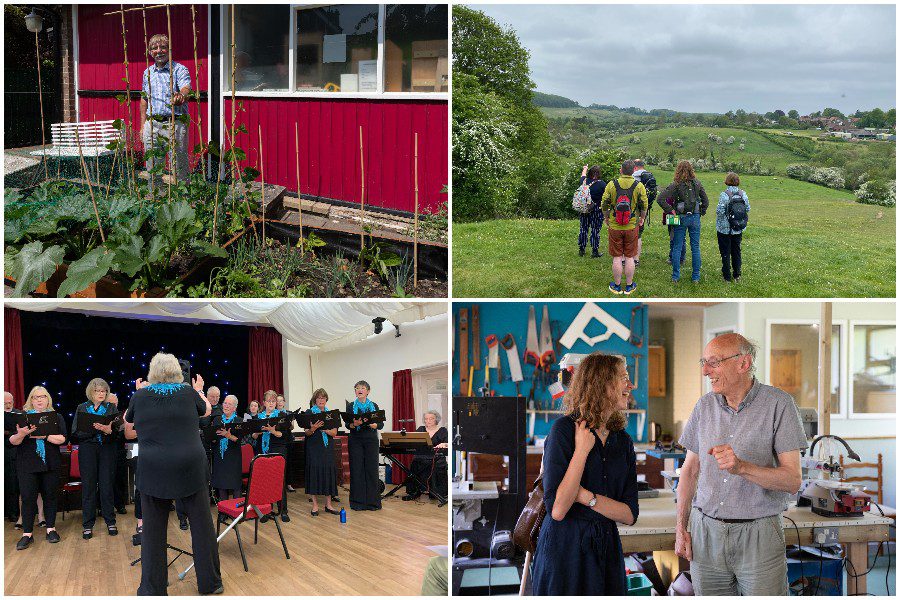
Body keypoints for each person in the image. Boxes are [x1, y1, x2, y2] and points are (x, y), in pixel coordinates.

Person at [675, 333, 806, 596]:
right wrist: (681, 527)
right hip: (706, 534)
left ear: (743, 364)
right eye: (704, 362)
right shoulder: (704, 406)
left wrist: (742, 467)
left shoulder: (779, 404)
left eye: (714, 362)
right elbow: (689, 471)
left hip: (759, 536)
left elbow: (793, 481)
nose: (705, 371)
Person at [531, 353, 639, 595]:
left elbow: (630, 514)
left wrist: (584, 496)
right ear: (601, 383)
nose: (630, 385)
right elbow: (558, 510)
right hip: (563, 552)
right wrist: (581, 451)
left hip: (606, 550)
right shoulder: (563, 431)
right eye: (623, 378)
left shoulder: (623, 441)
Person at [124, 353, 222, 596]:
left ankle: (153, 588)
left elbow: (128, 420)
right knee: (202, 528)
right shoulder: (188, 392)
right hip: (189, 468)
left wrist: (139, 391)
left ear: (152, 373)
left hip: (153, 469)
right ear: (177, 372)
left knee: (152, 533)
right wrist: (199, 389)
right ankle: (210, 584)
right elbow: (207, 411)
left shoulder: (140, 395)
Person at [9, 386, 68, 550]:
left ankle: (51, 529)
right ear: (31, 400)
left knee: (50, 496)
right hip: (27, 464)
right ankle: (27, 534)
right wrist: (21, 434)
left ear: (48, 399)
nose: (39, 400)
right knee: (28, 498)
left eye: (43, 396)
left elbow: (62, 439)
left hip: (50, 462)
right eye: (35, 397)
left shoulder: (56, 417)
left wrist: (44, 435)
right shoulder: (22, 417)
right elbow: (13, 441)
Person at [140, 33, 192, 192]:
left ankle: (183, 198)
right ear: (150, 52)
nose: (159, 51)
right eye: (154, 48)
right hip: (152, 124)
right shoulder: (147, 73)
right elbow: (144, 100)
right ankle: (155, 195)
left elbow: (186, 89)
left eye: (163, 47)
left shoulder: (178, 69)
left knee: (180, 163)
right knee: (153, 164)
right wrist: (143, 126)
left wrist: (181, 96)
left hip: (174, 124)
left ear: (169, 50)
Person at [71, 378, 119, 539]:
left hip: (107, 449)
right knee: (89, 487)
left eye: (104, 391)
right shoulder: (82, 408)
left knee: (106, 486)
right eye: (98, 391)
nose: (101, 393)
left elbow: (117, 433)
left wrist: (108, 430)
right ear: (91, 392)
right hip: (87, 450)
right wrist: (94, 430)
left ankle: (110, 521)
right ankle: (87, 525)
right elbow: (75, 432)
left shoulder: (111, 407)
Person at [657, 160, 709, 283]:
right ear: (691, 170)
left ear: (678, 170)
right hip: (694, 217)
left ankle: (676, 276)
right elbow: (706, 201)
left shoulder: (675, 184)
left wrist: (670, 211)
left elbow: (660, 199)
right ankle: (696, 277)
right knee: (695, 247)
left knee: (677, 247)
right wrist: (701, 212)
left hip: (679, 217)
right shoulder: (697, 183)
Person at [600, 160, 647, 295]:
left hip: (615, 226)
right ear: (633, 171)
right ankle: (629, 286)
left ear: (621, 170)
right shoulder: (639, 186)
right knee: (630, 257)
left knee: (617, 257)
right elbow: (644, 204)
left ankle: (616, 286)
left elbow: (604, 203)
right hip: (631, 225)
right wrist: (642, 218)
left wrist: (607, 217)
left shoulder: (611, 184)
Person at [251, 390, 292, 522]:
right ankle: (267, 510)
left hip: (278, 448)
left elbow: (283, 435)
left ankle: (283, 510)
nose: (271, 403)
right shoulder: (258, 417)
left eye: (273, 401)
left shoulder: (281, 415)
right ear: (264, 402)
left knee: (279, 479)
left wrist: (273, 431)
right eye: (268, 401)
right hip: (262, 449)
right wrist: (259, 432)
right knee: (265, 480)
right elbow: (253, 435)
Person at [347, 380, 384, 511]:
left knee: (371, 470)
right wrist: (354, 424)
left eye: (362, 388)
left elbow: (380, 424)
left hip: (371, 440)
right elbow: (348, 425)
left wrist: (375, 425)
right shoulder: (351, 406)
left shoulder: (374, 405)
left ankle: (373, 503)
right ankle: (357, 502)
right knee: (356, 470)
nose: (359, 390)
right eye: (357, 388)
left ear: (368, 391)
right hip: (355, 439)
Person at [303, 389, 340, 516]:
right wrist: (313, 428)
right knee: (314, 472)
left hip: (327, 447)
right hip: (313, 447)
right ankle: (314, 505)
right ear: (315, 400)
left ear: (326, 399)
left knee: (328, 473)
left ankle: (328, 505)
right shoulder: (309, 412)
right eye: (318, 398)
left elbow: (334, 433)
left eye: (323, 398)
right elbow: (306, 432)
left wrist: (325, 430)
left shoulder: (331, 414)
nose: (321, 400)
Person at [403, 410, 448, 501]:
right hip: (420, 457)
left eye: (431, 418)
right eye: (426, 419)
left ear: (436, 419)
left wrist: (445, 444)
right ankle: (415, 491)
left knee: (437, 466)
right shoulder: (420, 429)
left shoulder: (443, 430)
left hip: (436, 457)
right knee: (414, 464)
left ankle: (437, 492)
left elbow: (447, 443)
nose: (428, 421)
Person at [716, 172, 750, 283]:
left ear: (727, 181)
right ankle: (737, 275)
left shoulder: (724, 194)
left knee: (725, 252)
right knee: (736, 251)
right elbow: (747, 209)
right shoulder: (743, 194)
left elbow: (719, 211)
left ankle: (726, 276)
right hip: (738, 227)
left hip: (724, 229)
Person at [211, 395, 242, 501]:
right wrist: (212, 437)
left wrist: (228, 436)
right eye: (225, 403)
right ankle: (222, 513)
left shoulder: (239, 420)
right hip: (220, 457)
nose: (226, 405)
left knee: (235, 485)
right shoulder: (217, 420)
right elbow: (213, 439)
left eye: (229, 404)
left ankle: (236, 513)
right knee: (221, 485)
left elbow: (240, 440)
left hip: (234, 458)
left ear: (235, 407)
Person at [577, 164, 607, 258]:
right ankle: (594, 251)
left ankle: (581, 249)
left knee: (583, 229)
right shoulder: (602, 184)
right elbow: (606, 198)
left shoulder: (584, 181)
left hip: (584, 209)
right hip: (596, 210)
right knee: (595, 230)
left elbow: (582, 175)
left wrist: (585, 168)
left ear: (589, 173)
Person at [632, 159, 657, 266]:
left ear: (635, 167)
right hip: (644, 209)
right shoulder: (650, 176)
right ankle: (636, 259)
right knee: (639, 234)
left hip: (632, 210)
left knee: (628, 232)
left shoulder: (633, 176)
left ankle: (625, 258)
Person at [107, 393, 129, 515]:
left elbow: (125, 435)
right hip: (105, 453)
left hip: (119, 452)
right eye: (111, 403)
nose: (113, 405)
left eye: (115, 403)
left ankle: (120, 504)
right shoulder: (101, 416)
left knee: (120, 479)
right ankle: (104, 507)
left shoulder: (121, 417)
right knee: (106, 481)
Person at [5, 392, 21, 525]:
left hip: (17, 451)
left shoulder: (18, 413)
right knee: (8, 484)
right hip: (4, 451)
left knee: (17, 483)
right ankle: (10, 513)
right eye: (5, 403)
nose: (8, 405)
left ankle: (18, 513)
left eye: (10, 402)